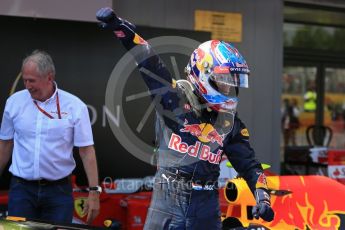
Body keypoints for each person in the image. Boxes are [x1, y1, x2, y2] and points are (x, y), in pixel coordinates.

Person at [96, 7, 274, 229]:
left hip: (206, 205)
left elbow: (250, 166)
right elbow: (148, 60)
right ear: (203, 73)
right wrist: (122, 30)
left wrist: (263, 198)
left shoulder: (230, 123)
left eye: (233, 82)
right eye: (224, 80)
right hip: (167, 201)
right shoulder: (173, 98)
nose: (229, 87)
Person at [0, 50, 100, 224]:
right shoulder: (14, 102)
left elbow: (86, 151)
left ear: (49, 77)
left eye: (32, 80)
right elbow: (5, 145)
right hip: (21, 191)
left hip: (58, 193)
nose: (27, 85)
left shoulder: (75, 106)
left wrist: (94, 192)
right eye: (25, 80)